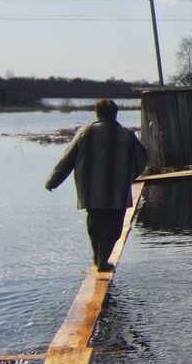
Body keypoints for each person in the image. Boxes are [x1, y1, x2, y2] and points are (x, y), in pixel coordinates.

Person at [46, 98, 148, 272]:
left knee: (95, 224)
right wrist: (129, 176)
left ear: (97, 113)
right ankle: (103, 260)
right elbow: (142, 160)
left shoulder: (85, 132)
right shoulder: (127, 134)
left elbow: (67, 160)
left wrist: (52, 181)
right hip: (118, 191)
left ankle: (98, 258)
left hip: (92, 190)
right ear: (115, 114)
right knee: (114, 227)